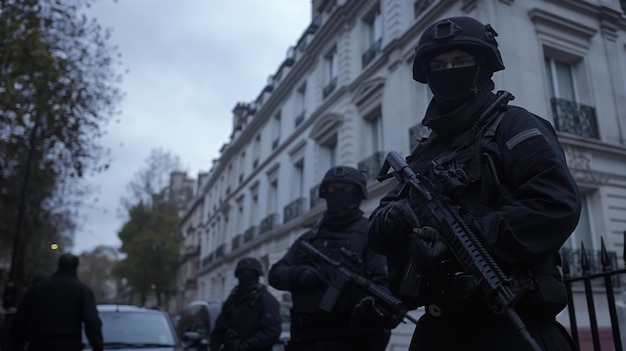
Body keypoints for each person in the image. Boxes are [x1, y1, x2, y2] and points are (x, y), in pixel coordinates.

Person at [368, 16, 582, 351]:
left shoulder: (514, 124)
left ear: (482, 66)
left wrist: (468, 234)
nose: (449, 69)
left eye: (461, 61)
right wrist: (397, 217)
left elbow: (555, 206)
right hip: (437, 329)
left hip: (510, 323)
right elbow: (377, 226)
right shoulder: (425, 151)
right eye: (439, 64)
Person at [268, 166, 395, 351]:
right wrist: (298, 274)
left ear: (358, 194)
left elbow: (386, 284)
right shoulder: (309, 237)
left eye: (346, 188)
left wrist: (354, 295)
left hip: (350, 341)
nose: (338, 192)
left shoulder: (370, 233)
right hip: (304, 339)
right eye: (333, 188)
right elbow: (275, 274)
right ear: (325, 194)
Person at [9, 253, 103, 351]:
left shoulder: (37, 289)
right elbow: (91, 321)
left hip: (39, 344)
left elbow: (20, 320)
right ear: (76, 267)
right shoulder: (83, 291)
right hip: (69, 345)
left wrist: (16, 346)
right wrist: (97, 346)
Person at [209, 257, 281, 351]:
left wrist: (247, 345)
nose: (245, 277)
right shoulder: (233, 299)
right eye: (242, 274)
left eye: (249, 274)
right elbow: (219, 328)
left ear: (256, 276)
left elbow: (272, 331)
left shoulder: (266, 300)